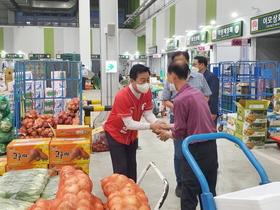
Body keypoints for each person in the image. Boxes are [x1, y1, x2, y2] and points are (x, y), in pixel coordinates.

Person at [157, 60, 218, 210]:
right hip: (210, 147)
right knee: (208, 191)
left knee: (189, 192)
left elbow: (179, 132)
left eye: (168, 77)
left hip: (195, 151)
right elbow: (193, 122)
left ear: (172, 76)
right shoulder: (197, 94)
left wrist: (166, 134)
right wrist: (167, 125)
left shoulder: (180, 100)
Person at [104, 64, 165, 182]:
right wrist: (151, 126)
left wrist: (157, 122)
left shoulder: (146, 92)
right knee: (121, 168)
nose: (146, 83)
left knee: (131, 167)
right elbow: (129, 123)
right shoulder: (122, 96)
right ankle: (120, 194)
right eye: (142, 80)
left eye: (147, 80)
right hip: (115, 133)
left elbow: (148, 113)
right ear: (132, 81)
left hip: (131, 135)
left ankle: (131, 192)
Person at [193, 56, 219, 125]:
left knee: (209, 132)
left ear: (202, 65)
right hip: (198, 110)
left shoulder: (211, 77)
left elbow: (214, 95)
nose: (193, 67)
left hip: (208, 109)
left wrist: (213, 112)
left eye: (195, 65)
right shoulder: (195, 77)